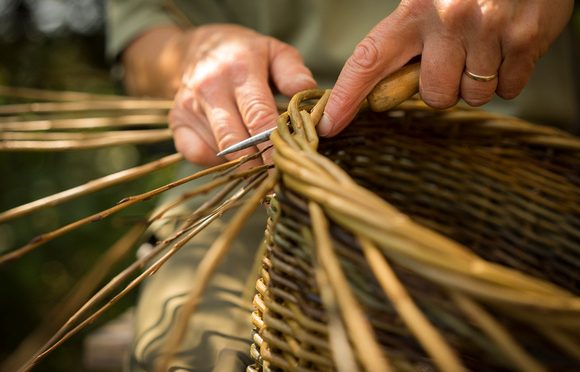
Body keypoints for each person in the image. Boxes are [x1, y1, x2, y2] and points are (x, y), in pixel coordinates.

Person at [105, 1, 577, 371]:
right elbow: (141, 41)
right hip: (258, 168)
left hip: (528, 166)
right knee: (194, 350)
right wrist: (191, 57)